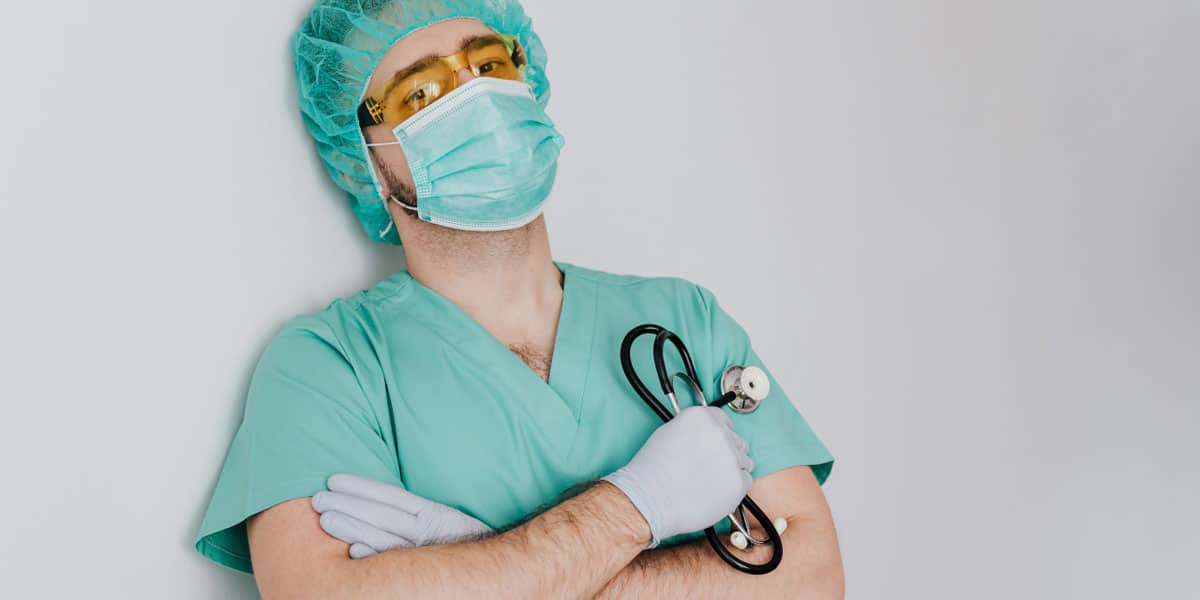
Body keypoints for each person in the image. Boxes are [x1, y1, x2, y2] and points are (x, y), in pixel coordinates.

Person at [194, 1, 843, 597]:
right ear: (358, 158)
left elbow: (812, 578)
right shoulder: (329, 366)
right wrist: (632, 508)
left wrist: (491, 565)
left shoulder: (682, 318)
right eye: (421, 91)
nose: (475, 94)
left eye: (489, 63)